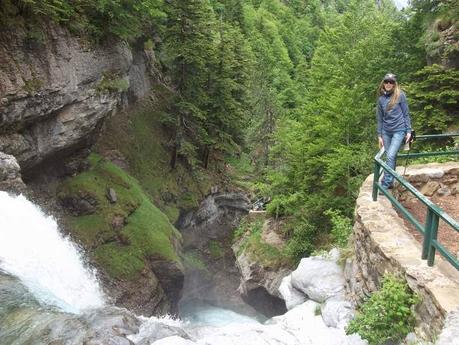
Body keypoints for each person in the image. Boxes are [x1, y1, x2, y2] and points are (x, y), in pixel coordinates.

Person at [376, 73, 412, 190]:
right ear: (383, 83)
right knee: (391, 156)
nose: (388, 84)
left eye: (391, 82)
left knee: (390, 156)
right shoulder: (381, 99)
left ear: (394, 84)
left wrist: (408, 131)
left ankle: (385, 184)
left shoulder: (400, 96)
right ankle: (390, 180)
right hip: (386, 131)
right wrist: (379, 135)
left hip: (399, 130)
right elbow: (380, 118)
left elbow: (406, 114)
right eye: (386, 81)